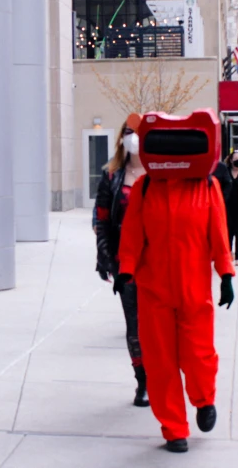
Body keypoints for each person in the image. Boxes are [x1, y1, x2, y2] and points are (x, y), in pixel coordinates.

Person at [116, 109, 235, 454]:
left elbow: (218, 232)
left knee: (198, 354)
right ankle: (174, 429)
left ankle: (204, 399)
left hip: (194, 287)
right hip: (153, 289)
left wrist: (225, 272)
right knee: (160, 362)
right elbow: (133, 233)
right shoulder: (146, 186)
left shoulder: (207, 185)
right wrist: (126, 269)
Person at [94, 122, 149, 408]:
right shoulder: (112, 176)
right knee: (135, 325)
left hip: (159, 262)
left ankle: (162, 375)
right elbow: (101, 221)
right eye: (128, 132)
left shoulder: (161, 173)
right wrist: (104, 257)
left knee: (162, 326)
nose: (134, 138)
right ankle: (143, 382)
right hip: (126, 263)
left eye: (138, 132)